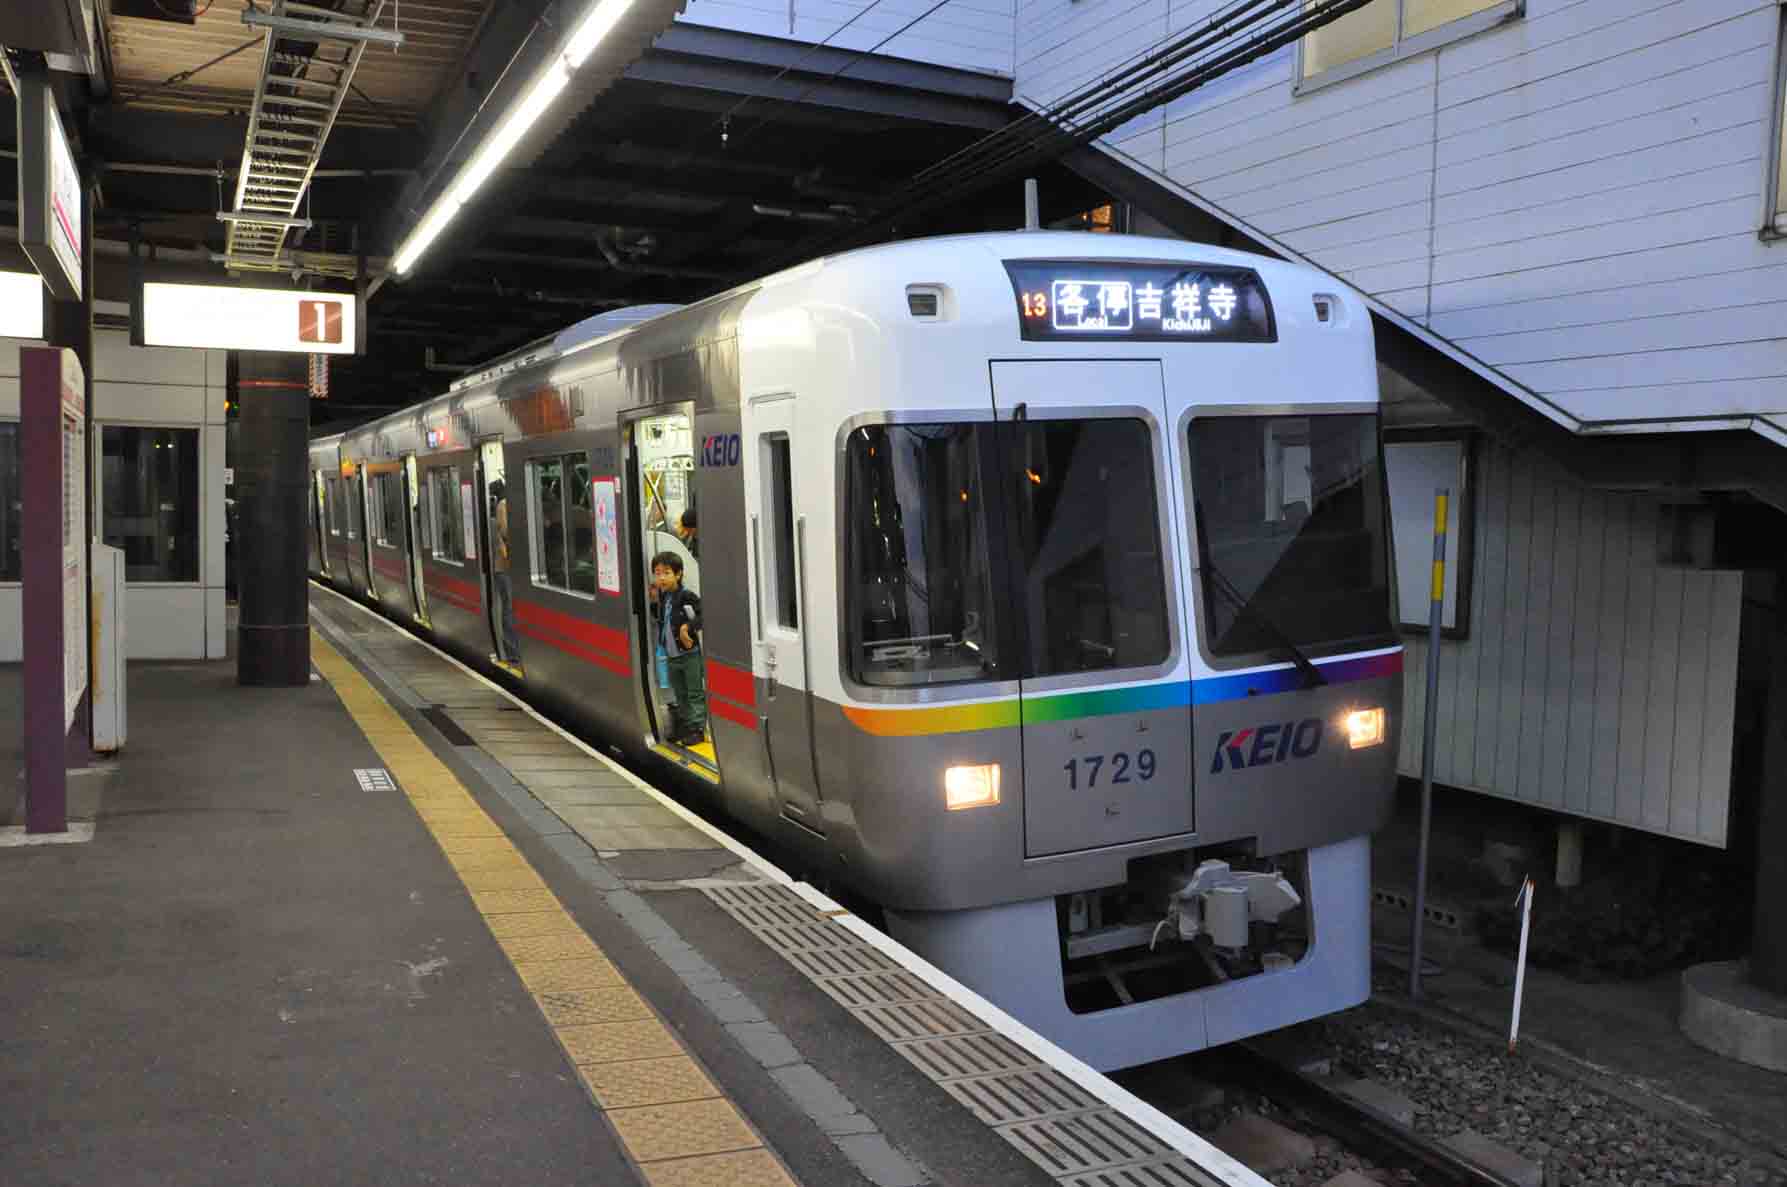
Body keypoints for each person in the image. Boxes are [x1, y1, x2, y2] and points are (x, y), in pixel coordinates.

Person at [649, 551, 706, 745]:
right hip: (672, 656)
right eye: (657, 573)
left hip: (689, 654)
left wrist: (687, 627)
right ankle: (685, 726)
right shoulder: (664, 597)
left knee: (694, 692)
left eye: (666, 573)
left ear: (679, 574)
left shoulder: (686, 596)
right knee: (680, 692)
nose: (661, 578)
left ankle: (698, 729)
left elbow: (703, 615)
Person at [490, 478, 522, 670]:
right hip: (504, 566)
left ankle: (516, 650)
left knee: (511, 608)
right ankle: (512, 652)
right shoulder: (504, 505)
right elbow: (506, 532)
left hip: (510, 566)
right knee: (509, 608)